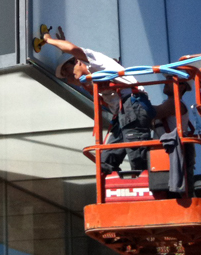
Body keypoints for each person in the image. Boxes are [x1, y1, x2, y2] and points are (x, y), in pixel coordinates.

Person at [43, 32, 154, 175]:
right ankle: (112, 187)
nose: (69, 77)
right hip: (123, 114)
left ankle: (146, 187)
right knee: (105, 161)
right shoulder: (91, 81)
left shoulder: (94, 61)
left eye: (67, 71)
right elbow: (72, 55)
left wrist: (49, 40)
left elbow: (72, 49)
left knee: (137, 155)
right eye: (65, 76)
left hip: (132, 104)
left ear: (77, 61)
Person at [153, 79, 195, 198]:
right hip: (167, 158)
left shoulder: (175, 103)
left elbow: (155, 112)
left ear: (181, 87)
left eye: (170, 80)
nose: (165, 82)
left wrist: (139, 102)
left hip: (171, 159)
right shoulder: (171, 103)